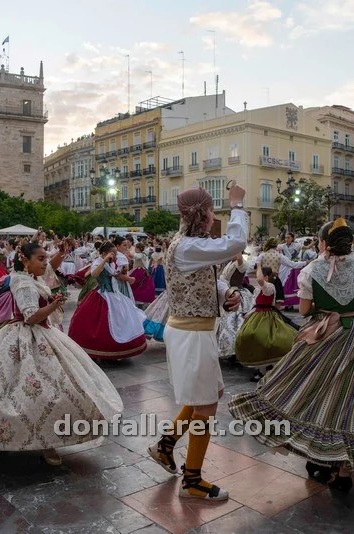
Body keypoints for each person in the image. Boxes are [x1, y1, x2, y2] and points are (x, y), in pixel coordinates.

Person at [229, 218, 354, 493]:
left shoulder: (313, 269)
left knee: (315, 393)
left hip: (323, 333)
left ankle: (321, 457)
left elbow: (302, 310)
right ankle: (344, 467)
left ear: (324, 243)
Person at [0, 242, 123, 466]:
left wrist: (60, 255)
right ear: (25, 260)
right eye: (41, 259)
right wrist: (54, 305)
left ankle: (46, 440)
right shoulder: (23, 282)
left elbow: (49, 274)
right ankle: (23, 441)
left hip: (41, 334)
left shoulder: (30, 277)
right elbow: (31, 317)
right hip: (25, 335)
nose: (45, 263)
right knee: (26, 390)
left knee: (50, 389)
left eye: (45, 258)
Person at [147, 185, 247, 502]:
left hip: (193, 332)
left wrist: (225, 294)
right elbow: (236, 243)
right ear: (201, 214)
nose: (214, 216)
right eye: (211, 211)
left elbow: (204, 275)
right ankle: (192, 480)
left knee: (205, 397)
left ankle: (165, 445)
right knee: (205, 404)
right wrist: (238, 204)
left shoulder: (187, 245)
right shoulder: (188, 246)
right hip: (191, 335)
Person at [68, 241, 147, 360]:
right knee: (100, 322)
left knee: (123, 318)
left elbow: (115, 275)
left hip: (114, 294)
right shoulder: (98, 261)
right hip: (102, 294)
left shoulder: (112, 263)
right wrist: (104, 260)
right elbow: (94, 274)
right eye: (113, 253)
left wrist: (126, 276)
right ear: (104, 253)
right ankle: (99, 350)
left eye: (115, 253)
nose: (115, 256)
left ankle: (118, 350)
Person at [235, 265, 298, 381]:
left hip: (266, 317)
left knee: (264, 338)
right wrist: (248, 314)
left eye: (262, 275)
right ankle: (262, 369)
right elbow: (256, 305)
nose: (258, 276)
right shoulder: (259, 288)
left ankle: (266, 369)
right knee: (255, 339)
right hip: (257, 316)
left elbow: (259, 280)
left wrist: (258, 264)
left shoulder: (269, 287)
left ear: (266, 277)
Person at [216, 253, 254, 360]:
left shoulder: (241, 263)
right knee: (226, 323)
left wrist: (238, 252)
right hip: (227, 293)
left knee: (235, 323)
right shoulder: (229, 263)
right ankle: (229, 349)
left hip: (236, 293)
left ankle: (236, 350)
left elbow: (241, 265)